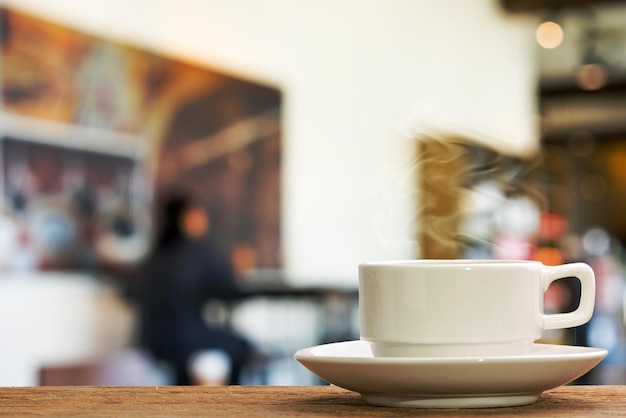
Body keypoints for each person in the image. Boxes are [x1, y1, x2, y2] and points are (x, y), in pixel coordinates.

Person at [133, 192, 253, 385]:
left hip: (152, 341)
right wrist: (239, 269)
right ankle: (235, 406)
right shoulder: (199, 252)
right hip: (187, 339)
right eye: (199, 214)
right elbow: (231, 290)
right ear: (187, 218)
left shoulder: (154, 255)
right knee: (243, 348)